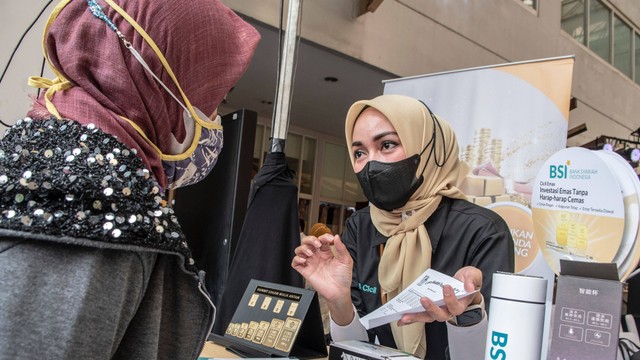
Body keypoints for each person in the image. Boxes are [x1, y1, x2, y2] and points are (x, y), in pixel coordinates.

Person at [0, 0, 259, 359]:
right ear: (159, 83)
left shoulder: (42, 158)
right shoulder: (97, 209)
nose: (214, 119)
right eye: (215, 99)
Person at [292, 94, 514, 360]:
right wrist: (339, 301)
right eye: (359, 153)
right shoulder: (361, 227)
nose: (371, 164)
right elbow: (355, 350)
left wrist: (467, 314)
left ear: (428, 148)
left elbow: (492, 353)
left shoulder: (482, 231)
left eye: (387, 145)